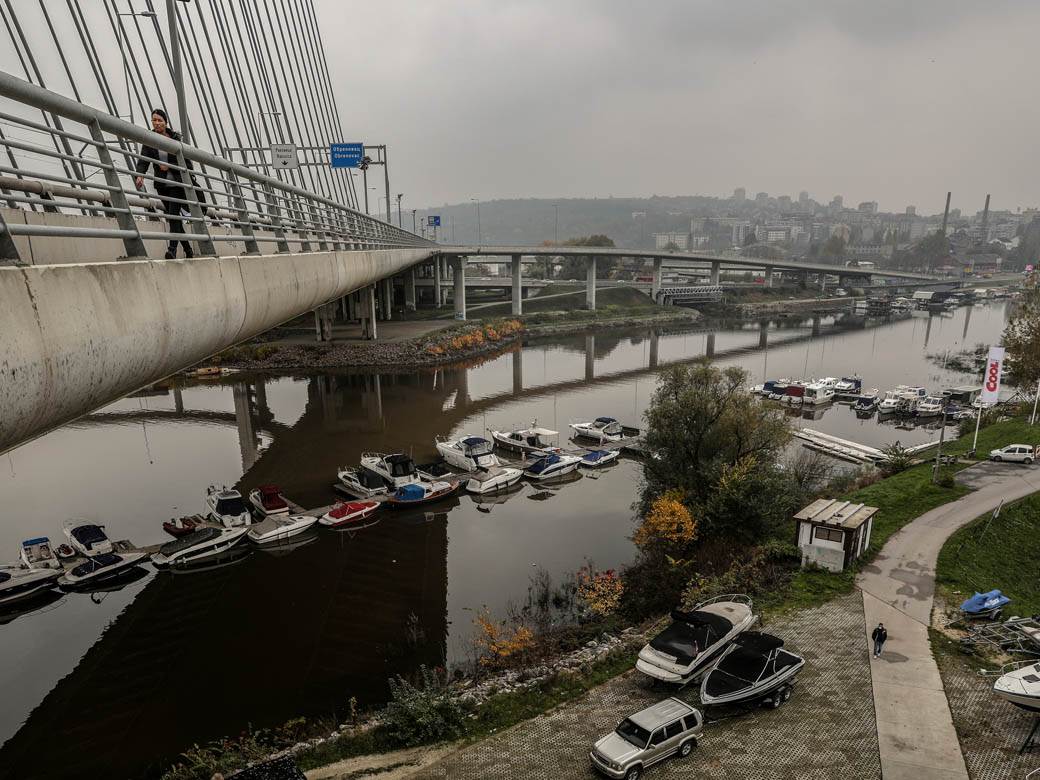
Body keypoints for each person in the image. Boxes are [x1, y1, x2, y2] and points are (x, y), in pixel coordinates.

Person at [134, 108, 205, 259]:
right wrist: (140, 175)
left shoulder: (175, 139)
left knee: (173, 216)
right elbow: (144, 160)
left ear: (166, 122)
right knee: (174, 219)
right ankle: (188, 250)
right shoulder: (149, 139)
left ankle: (172, 250)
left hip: (178, 185)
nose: (157, 123)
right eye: (154, 120)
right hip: (162, 185)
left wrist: (169, 166)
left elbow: (187, 164)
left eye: (160, 120)